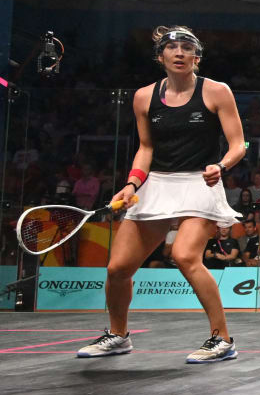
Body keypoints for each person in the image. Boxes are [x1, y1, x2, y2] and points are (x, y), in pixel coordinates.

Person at [76, 26, 244, 364]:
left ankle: (222, 339)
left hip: (201, 183)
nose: (180, 53)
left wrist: (221, 166)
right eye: (173, 48)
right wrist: (132, 184)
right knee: (118, 268)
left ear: (197, 57)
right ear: (160, 57)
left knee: (184, 256)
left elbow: (238, 144)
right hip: (157, 185)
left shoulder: (217, 91)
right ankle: (119, 335)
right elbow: (146, 148)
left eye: (187, 48)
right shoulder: (143, 97)